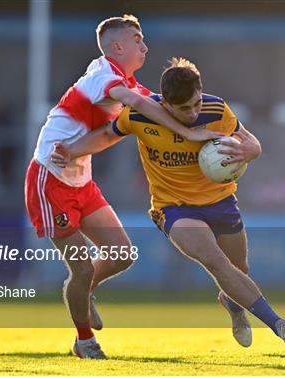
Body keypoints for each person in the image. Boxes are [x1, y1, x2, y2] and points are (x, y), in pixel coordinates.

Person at [52, 57, 285, 349]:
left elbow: (252, 143)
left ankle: (232, 304)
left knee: (239, 268)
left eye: (196, 103)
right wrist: (70, 149)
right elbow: (109, 134)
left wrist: (251, 151)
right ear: (165, 105)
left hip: (221, 201)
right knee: (216, 262)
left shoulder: (216, 109)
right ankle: (280, 326)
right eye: (184, 108)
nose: (193, 112)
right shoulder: (140, 115)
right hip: (173, 207)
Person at [24, 15, 222, 360]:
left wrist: (210, 118)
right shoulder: (104, 77)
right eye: (137, 39)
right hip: (49, 179)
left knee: (122, 255)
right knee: (82, 268)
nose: (144, 46)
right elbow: (143, 105)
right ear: (117, 47)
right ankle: (84, 341)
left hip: (80, 180)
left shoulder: (124, 80)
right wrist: (191, 134)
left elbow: (159, 104)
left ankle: (82, 293)